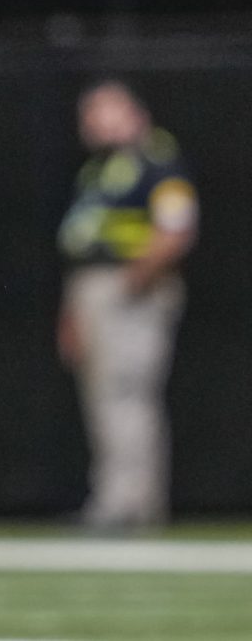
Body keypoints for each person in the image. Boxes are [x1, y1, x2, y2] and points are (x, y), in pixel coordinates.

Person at [57, 79, 199, 532]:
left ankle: (131, 504)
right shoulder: (101, 168)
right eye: (90, 114)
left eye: (105, 111)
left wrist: (136, 280)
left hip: (129, 290)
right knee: (104, 400)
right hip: (94, 290)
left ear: (134, 114)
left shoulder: (156, 160)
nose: (93, 123)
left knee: (126, 396)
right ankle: (116, 499)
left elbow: (176, 228)